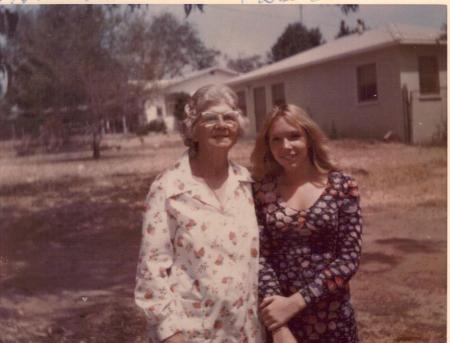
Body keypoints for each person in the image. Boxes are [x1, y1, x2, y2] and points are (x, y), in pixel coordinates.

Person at [134, 84, 264, 343]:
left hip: (244, 332)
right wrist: (171, 334)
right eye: (210, 118)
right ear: (193, 128)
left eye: (229, 117)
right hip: (189, 334)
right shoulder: (168, 188)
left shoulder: (247, 183)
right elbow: (152, 269)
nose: (221, 125)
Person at [251, 104, 362, 343]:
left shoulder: (342, 185)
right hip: (283, 320)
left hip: (334, 319)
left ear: (309, 138)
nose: (286, 147)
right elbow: (261, 256)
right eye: (276, 140)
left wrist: (297, 302)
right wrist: (277, 322)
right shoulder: (261, 190)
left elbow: (349, 258)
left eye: (294, 136)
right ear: (268, 147)